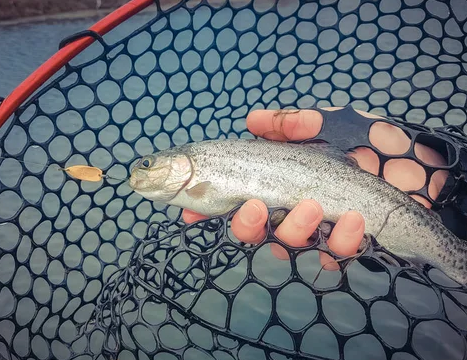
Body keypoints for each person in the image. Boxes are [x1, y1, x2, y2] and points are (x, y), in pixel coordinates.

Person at [182, 107, 449, 270]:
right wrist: (442, 179)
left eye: (148, 164)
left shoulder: (201, 162)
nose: (139, 170)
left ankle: (456, 257)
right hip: (435, 203)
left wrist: (438, 173)